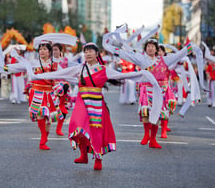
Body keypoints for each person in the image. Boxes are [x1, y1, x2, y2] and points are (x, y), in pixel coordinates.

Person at [26, 43, 162, 170]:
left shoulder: (104, 69)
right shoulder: (79, 68)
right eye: (86, 52)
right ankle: (83, 155)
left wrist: (143, 74)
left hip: (97, 103)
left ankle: (98, 159)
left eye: (91, 51)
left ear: (97, 54)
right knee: (78, 126)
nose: (88, 54)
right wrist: (36, 77)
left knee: (96, 132)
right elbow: (58, 74)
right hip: (81, 102)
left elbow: (123, 76)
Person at [103, 27, 204, 148]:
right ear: (145, 49)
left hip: (160, 91)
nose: (150, 48)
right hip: (146, 89)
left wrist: (190, 47)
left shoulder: (164, 59)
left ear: (156, 49)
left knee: (158, 114)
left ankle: (153, 140)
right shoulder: (141, 58)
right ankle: (146, 134)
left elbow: (178, 55)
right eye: (148, 46)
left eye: (153, 46)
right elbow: (125, 55)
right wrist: (110, 47)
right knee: (145, 113)